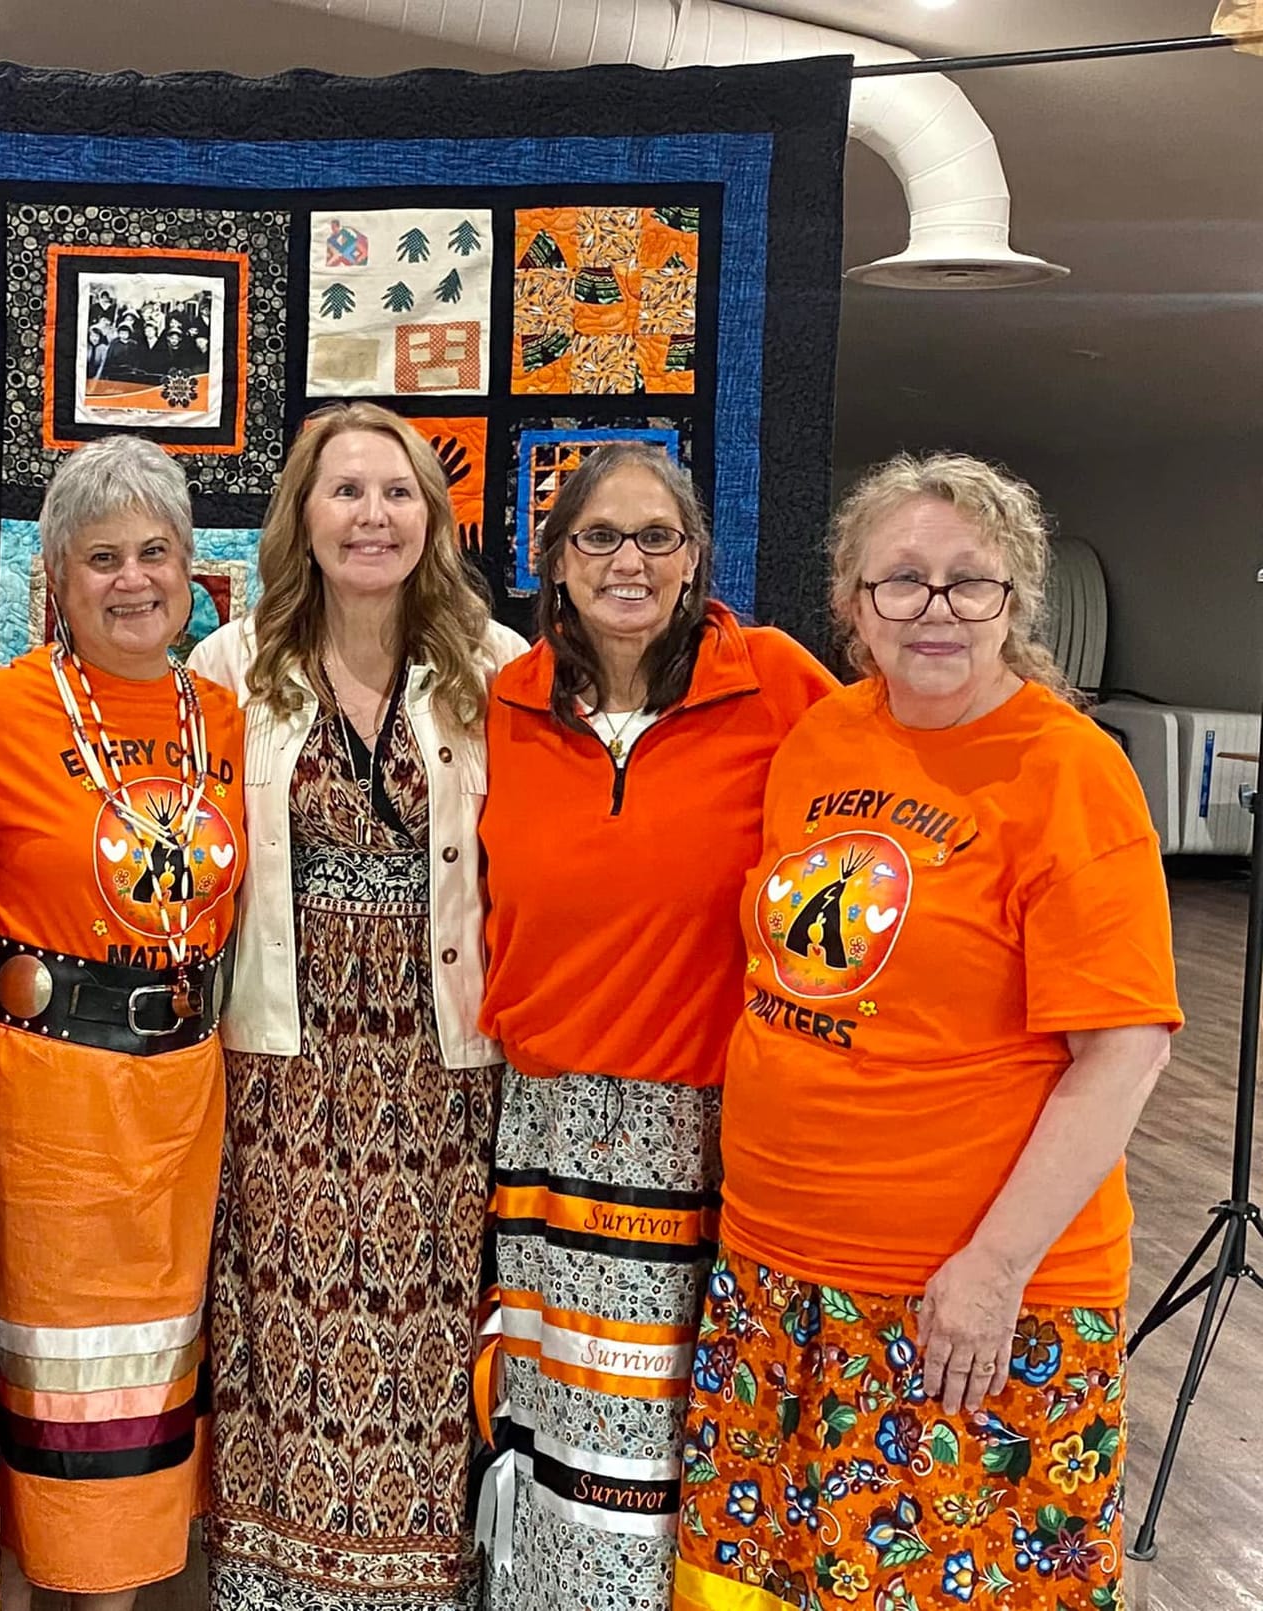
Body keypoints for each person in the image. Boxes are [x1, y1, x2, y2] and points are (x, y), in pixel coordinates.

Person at [672, 454, 1178, 1611]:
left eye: (969, 582)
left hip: (956, 1298)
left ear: (1015, 602)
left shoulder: (1068, 774)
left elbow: (1123, 1051)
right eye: (901, 580)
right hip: (777, 1279)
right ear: (850, 607)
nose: (935, 609)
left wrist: (990, 1272)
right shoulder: (822, 739)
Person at [473, 441, 836, 1611]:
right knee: (537, 1410)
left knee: (652, 1429)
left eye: (655, 538)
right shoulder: (508, 701)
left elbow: (899, 777)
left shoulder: (774, 683)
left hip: (694, 1126)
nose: (626, 562)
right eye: (598, 537)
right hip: (537, 1117)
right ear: (554, 560)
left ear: (693, 558)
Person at [188, 401, 525, 1611]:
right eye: (345, 491)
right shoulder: (229, 668)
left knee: (430, 1341)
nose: (371, 514)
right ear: (303, 515)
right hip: (282, 1058)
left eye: (397, 492)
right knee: (279, 1333)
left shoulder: (495, 668)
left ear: (431, 519)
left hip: (441, 1064)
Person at [0, 433, 247, 1610]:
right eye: (101, 558)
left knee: (149, 1376)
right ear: (55, 583)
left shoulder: (220, 714)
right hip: (49, 1096)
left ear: (190, 569)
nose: (133, 580)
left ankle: (121, 1588)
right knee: (55, 1379)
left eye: (155, 553)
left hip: (187, 1097)